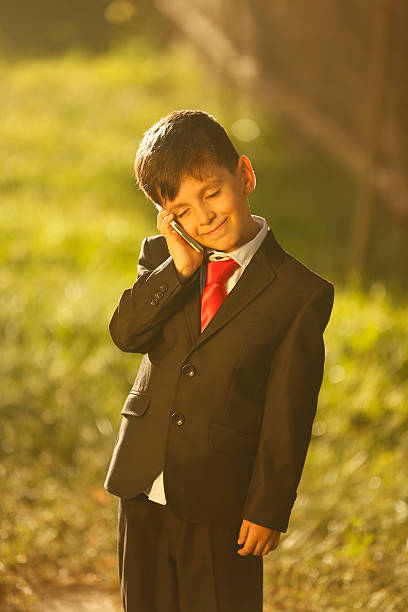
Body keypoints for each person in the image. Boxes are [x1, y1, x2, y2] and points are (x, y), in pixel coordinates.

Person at [104, 109, 334, 612]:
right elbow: (126, 334)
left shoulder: (299, 293)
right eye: (182, 210)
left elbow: (287, 414)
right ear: (167, 217)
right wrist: (180, 268)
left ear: (245, 176)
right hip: (143, 483)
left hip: (220, 500)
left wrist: (269, 506)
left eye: (211, 193)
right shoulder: (165, 260)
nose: (203, 216)